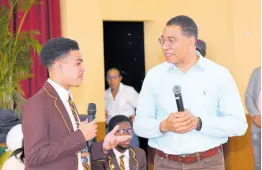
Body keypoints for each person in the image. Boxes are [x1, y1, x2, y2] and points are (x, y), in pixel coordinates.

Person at [133, 15, 247, 170]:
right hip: (165, 163)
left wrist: (199, 123)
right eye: (162, 40)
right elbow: (139, 125)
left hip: (209, 163)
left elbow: (239, 125)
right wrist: (164, 125)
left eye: (171, 40)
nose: (165, 46)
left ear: (191, 41)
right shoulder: (154, 76)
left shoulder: (219, 74)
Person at [22, 37, 131, 170]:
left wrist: (102, 146)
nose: (83, 68)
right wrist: (80, 135)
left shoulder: (67, 100)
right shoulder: (37, 104)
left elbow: (74, 151)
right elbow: (34, 156)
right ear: (59, 65)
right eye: (78, 63)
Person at [105, 67, 140, 147]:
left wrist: (137, 117)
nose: (112, 80)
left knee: (133, 154)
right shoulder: (105, 94)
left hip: (127, 129)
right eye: (109, 78)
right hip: (111, 130)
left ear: (120, 78)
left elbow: (142, 106)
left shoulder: (129, 91)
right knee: (112, 155)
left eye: (114, 77)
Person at [245, 66, 261, 170]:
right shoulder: (258, 72)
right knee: (258, 164)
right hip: (258, 128)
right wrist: (256, 115)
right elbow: (248, 96)